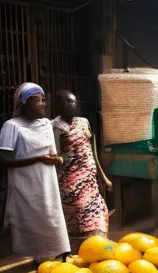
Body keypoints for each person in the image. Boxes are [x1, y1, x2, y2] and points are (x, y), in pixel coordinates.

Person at [0, 83, 69, 262]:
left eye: (44, 100)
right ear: (23, 104)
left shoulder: (45, 124)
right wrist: (37, 159)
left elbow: (52, 153)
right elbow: (4, 160)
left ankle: (52, 260)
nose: (42, 104)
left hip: (47, 183)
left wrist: (56, 160)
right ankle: (35, 262)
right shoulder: (12, 126)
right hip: (25, 185)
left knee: (51, 218)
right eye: (36, 100)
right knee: (31, 223)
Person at [52, 91, 111, 253]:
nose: (71, 105)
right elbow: (56, 155)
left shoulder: (84, 122)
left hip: (90, 180)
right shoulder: (55, 126)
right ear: (58, 105)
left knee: (97, 212)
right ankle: (81, 252)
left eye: (73, 102)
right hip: (70, 183)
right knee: (76, 218)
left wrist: (103, 177)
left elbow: (91, 149)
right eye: (67, 102)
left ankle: (98, 248)